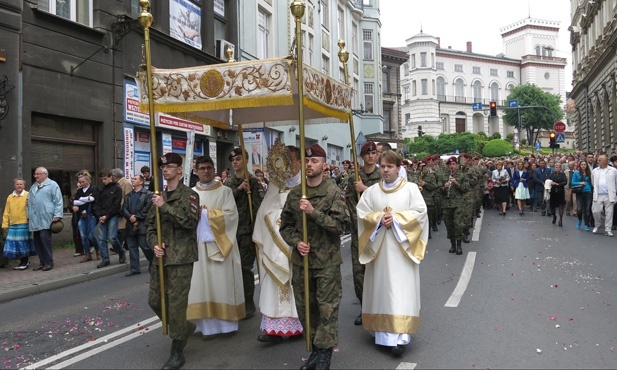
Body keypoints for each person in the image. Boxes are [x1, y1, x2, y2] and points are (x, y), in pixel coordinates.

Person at [280, 143, 350, 370]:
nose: (310, 164)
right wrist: (296, 243)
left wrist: (313, 212)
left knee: (327, 309)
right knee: (306, 309)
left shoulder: (333, 192)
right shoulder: (295, 194)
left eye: (315, 161)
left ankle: (323, 356)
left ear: (324, 164)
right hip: (302, 261)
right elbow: (286, 226)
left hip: (326, 262)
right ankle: (315, 350)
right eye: (307, 161)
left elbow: (341, 226)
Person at [357, 150, 428, 355]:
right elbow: (362, 214)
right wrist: (379, 219)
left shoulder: (411, 190)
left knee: (400, 291)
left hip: (402, 251)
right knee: (382, 290)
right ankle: (383, 334)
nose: (385, 170)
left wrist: (396, 219)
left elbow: (420, 214)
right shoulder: (371, 192)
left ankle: (401, 336)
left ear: (399, 168)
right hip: (379, 252)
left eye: (390, 166)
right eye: (383, 166)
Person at [147, 152, 200, 369]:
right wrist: (154, 245)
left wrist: (164, 207)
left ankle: (178, 351)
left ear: (180, 170)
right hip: (161, 258)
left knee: (176, 306)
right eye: (163, 167)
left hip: (181, 258)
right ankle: (184, 328)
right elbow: (150, 227)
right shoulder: (158, 196)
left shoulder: (189, 195)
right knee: (154, 300)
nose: (166, 170)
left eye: (170, 166)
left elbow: (190, 222)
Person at [187, 155, 245, 335]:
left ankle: (226, 325)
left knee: (221, 284)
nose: (206, 171)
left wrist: (206, 215)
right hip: (198, 247)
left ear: (214, 169)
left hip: (221, 246)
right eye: (202, 168)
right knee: (201, 285)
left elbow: (231, 216)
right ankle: (205, 326)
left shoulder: (225, 191)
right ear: (195, 171)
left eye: (209, 168)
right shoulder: (190, 193)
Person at [253, 145, 304, 343]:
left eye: (290, 160)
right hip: (274, 247)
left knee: (297, 285)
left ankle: (300, 323)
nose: (286, 165)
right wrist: (274, 221)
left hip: (297, 246)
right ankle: (273, 328)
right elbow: (264, 212)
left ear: (299, 162)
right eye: (283, 160)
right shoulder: (275, 184)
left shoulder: (305, 185)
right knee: (274, 286)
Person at [344, 141, 382, 326]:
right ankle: (364, 307)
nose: (370, 156)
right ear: (362, 156)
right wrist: (358, 223)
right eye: (367, 153)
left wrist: (365, 190)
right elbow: (350, 204)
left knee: (377, 269)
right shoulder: (354, 178)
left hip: (379, 231)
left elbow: (385, 200)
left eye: (373, 153)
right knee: (359, 272)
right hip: (359, 231)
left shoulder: (383, 176)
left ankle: (379, 306)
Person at [226, 147, 265, 316]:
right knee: (232, 270)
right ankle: (236, 300)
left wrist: (258, 231)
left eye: (238, 159)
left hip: (248, 232)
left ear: (246, 161)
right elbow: (225, 202)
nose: (235, 162)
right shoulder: (229, 183)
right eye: (233, 160)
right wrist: (238, 189)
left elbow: (259, 208)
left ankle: (248, 303)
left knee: (244, 269)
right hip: (232, 231)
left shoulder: (254, 182)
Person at [27, 167, 63, 271]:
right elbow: (29, 203)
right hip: (35, 219)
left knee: (45, 240)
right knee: (37, 242)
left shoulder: (52, 185)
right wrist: (28, 216)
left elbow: (58, 200)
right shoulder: (33, 186)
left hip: (47, 218)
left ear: (44, 174)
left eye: (37, 174)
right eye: (35, 174)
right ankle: (42, 262)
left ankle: (49, 262)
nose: (35, 176)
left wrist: (57, 214)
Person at [93, 169, 126, 268]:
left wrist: (106, 216)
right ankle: (105, 259)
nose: (104, 181)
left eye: (105, 179)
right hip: (102, 216)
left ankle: (121, 251)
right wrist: (99, 216)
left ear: (111, 177)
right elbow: (97, 204)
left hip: (112, 215)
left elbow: (116, 205)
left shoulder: (117, 188)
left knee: (112, 237)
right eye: (102, 179)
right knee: (102, 239)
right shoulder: (102, 190)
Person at [122, 174, 154, 276]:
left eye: (135, 179)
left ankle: (153, 263)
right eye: (132, 179)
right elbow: (124, 208)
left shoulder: (148, 194)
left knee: (145, 246)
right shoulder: (129, 195)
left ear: (141, 182)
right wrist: (129, 216)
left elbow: (148, 207)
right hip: (130, 225)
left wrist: (137, 216)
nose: (133, 180)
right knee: (132, 247)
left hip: (142, 224)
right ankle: (135, 268)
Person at [2, 178, 36, 270]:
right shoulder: (10, 197)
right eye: (17, 184)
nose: (19, 186)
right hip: (13, 224)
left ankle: (24, 262)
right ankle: (24, 261)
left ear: (24, 186)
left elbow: (33, 208)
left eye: (21, 184)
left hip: (24, 223)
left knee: (23, 243)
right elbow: (6, 211)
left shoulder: (28, 195)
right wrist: (5, 224)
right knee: (15, 244)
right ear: (14, 186)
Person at [441, 156, 469, 255]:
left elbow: (466, 188)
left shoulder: (462, 175)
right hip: (446, 204)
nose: (451, 166)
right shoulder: (444, 175)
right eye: (450, 164)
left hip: (458, 203)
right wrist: (444, 187)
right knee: (449, 225)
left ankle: (459, 246)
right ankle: (452, 245)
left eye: (453, 164)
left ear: (456, 164)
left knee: (458, 224)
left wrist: (456, 183)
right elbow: (439, 190)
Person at [72, 171, 100, 263]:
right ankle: (87, 254)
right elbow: (75, 202)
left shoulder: (94, 188)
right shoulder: (80, 191)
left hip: (91, 214)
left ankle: (97, 249)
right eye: (80, 182)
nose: (81, 184)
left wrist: (82, 200)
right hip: (82, 215)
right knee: (83, 236)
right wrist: (86, 199)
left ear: (88, 180)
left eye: (83, 182)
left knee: (91, 235)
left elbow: (93, 199)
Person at [591, 155, 617, 236]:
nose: (598, 162)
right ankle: (597, 225)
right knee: (596, 211)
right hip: (598, 195)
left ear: (605, 161)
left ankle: (608, 229)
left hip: (609, 195)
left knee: (609, 213)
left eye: (599, 160)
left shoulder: (613, 170)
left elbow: (616, 182)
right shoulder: (595, 171)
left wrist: (614, 191)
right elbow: (593, 182)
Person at [111, 168, 133, 253]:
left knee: (122, 229)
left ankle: (121, 246)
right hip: (118, 208)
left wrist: (125, 208)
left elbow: (128, 197)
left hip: (123, 209)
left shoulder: (125, 183)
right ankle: (120, 245)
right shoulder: (116, 183)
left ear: (115, 176)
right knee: (119, 229)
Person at [572, 161, 593, 231]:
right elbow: (572, 182)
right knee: (579, 209)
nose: (583, 166)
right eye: (582, 164)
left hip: (588, 192)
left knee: (587, 210)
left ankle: (586, 224)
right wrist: (580, 182)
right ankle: (580, 220)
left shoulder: (589, 173)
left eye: (585, 164)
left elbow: (592, 182)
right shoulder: (576, 173)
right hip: (580, 192)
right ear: (579, 165)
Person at [68, 181, 84, 257]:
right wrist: (72, 207)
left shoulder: (85, 195)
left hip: (83, 216)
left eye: (80, 187)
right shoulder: (73, 196)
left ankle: (90, 246)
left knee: (84, 234)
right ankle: (79, 250)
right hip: (75, 217)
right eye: (77, 187)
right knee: (76, 234)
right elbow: (69, 205)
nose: (78, 188)